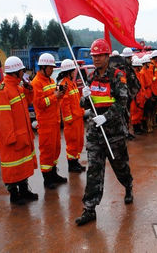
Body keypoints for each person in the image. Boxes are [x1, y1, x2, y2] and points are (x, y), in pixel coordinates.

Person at [76, 39, 134, 226]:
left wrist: (107, 117)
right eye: (94, 56)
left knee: (120, 166)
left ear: (107, 56)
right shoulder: (91, 77)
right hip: (95, 132)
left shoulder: (117, 76)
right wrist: (84, 97)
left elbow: (122, 102)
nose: (96, 59)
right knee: (94, 169)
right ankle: (89, 208)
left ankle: (128, 185)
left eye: (100, 55)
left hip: (113, 131)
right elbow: (85, 104)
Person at [0, 56, 38, 205]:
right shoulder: (3, 91)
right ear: (16, 73)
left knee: (23, 167)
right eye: (22, 71)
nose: (23, 74)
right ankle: (14, 194)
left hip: (22, 136)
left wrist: (28, 88)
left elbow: (28, 101)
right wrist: (11, 138)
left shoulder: (18, 88)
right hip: (13, 140)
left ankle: (24, 191)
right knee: (13, 169)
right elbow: (3, 119)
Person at [32, 53, 67, 189]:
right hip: (45, 123)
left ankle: (53, 173)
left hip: (55, 121)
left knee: (55, 149)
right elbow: (39, 104)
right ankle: (47, 178)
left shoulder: (51, 81)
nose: (52, 70)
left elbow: (55, 98)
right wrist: (55, 96)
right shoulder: (36, 83)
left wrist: (60, 92)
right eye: (51, 68)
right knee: (47, 150)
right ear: (43, 67)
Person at [57, 59, 86, 173]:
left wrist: (82, 111)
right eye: (73, 70)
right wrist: (69, 119)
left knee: (79, 141)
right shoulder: (64, 85)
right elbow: (64, 103)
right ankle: (72, 165)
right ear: (68, 71)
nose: (75, 72)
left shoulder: (71, 83)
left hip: (77, 118)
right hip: (72, 121)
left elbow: (77, 100)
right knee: (72, 143)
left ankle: (76, 162)